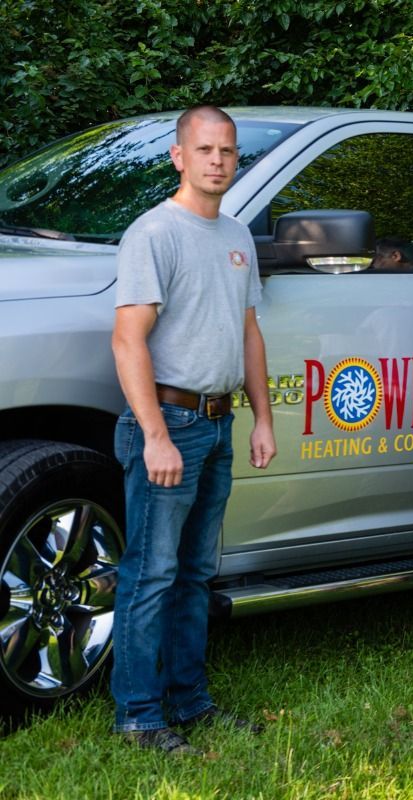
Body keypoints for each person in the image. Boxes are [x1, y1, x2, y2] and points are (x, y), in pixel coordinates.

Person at [110, 105, 276, 754]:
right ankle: (138, 715)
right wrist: (154, 434)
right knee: (150, 574)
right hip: (170, 421)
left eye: (227, 152)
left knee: (193, 575)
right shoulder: (155, 233)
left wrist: (262, 416)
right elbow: (128, 341)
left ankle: (190, 702)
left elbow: (248, 331)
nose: (217, 161)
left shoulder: (235, 235)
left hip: (219, 423)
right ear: (179, 156)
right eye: (204, 150)